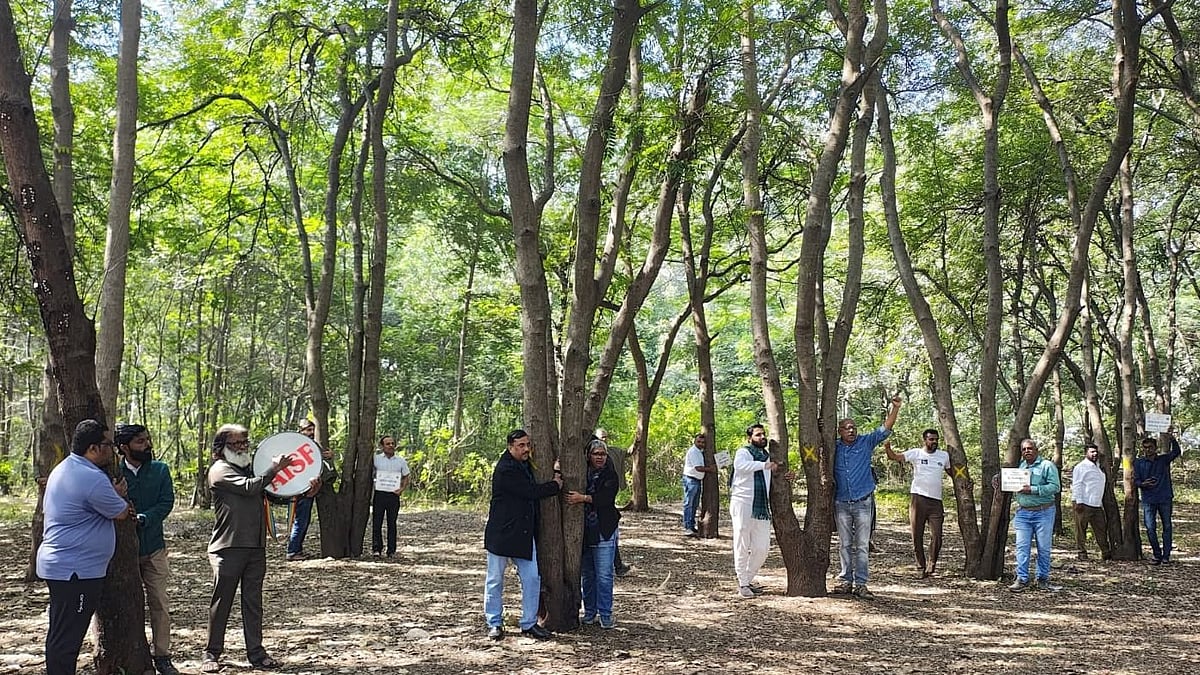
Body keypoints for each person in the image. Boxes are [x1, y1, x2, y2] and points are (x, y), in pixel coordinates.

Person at [37, 419, 132, 675]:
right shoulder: (90, 477)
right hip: (75, 571)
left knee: (61, 632)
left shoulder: (66, 468)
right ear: (93, 448)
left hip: (65, 565)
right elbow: (121, 512)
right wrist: (119, 496)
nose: (112, 450)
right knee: (67, 638)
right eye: (108, 444)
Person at [203, 424, 295, 672]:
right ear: (222, 447)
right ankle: (211, 653)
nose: (243, 447)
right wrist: (275, 468)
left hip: (255, 546)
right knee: (222, 602)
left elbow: (271, 493)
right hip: (228, 547)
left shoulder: (251, 470)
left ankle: (256, 652)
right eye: (236, 443)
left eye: (245, 442)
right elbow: (250, 488)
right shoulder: (219, 470)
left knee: (253, 602)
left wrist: (304, 488)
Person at [483, 429, 563, 640]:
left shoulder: (524, 463)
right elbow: (530, 491)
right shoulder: (506, 469)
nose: (526, 449)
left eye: (528, 444)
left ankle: (528, 623)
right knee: (495, 580)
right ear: (510, 447)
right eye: (521, 445)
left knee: (531, 578)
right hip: (501, 534)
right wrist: (555, 485)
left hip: (524, 534)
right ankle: (494, 622)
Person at [116, 423, 179, 675]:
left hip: (154, 548)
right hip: (121, 553)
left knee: (159, 603)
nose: (147, 445)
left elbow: (166, 502)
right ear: (124, 447)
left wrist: (143, 518)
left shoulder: (160, 470)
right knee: (124, 604)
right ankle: (123, 653)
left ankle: (162, 655)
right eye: (140, 441)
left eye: (147, 440)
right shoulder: (113, 473)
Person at [831, 395, 901, 600]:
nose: (851, 430)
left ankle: (861, 583)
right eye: (847, 428)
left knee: (862, 545)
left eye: (853, 427)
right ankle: (845, 580)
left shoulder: (865, 442)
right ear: (839, 431)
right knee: (844, 543)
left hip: (863, 501)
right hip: (842, 502)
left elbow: (885, 429)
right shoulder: (833, 446)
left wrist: (895, 408)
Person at [565, 438, 621, 629]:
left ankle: (606, 614)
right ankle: (590, 612)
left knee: (604, 575)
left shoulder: (610, 475)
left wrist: (583, 498)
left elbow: (605, 499)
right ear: (588, 456)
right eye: (596, 454)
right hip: (584, 533)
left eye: (603, 454)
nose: (600, 457)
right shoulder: (582, 472)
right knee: (587, 575)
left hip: (604, 530)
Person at [884, 428, 951, 578]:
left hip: (936, 502)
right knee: (917, 535)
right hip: (918, 499)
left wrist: (964, 481)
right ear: (925, 440)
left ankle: (931, 564)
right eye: (931, 439)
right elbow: (895, 457)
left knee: (937, 535)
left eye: (936, 439)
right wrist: (888, 448)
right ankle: (920, 566)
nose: (934, 442)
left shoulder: (944, 456)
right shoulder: (916, 453)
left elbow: (952, 472)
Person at [729, 424, 777, 599]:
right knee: (742, 544)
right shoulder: (744, 452)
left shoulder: (767, 457)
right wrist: (764, 466)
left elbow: (772, 477)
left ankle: (746, 579)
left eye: (763, 434)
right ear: (750, 438)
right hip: (743, 503)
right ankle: (743, 584)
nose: (762, 437)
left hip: (761, 508)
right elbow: (740, 466)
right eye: (758, 435)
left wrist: (783, 475)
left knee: (762, 547)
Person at [1008, 438, 1061, 592]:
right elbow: (1012, 483)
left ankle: (1042, 579)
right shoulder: (1021, 466)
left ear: (1036, 450)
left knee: (1043, 547)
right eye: (1024, 449)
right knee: (1022, 547)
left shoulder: (1047, 466)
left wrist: (1033, 489)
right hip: (1023, 513)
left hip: (1044, 512)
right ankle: (1022, 579)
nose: (1027, 451)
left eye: (1030, 448)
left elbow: (1055, 487)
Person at [1134, 433, 1182, 565]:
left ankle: (1166, 556)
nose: (1147, 450)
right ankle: (1157, 554)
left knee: (1167, 526)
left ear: (1155, 448)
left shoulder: (1163, 460)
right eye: (1145, 448)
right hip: (1148, 499)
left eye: (1150, 447)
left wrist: (1172, 437)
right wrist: (1142, 484)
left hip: (1165, 497)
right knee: (1150, 528)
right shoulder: (1139, 463)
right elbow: (1136, 480)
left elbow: (1176, 452)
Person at [286, 419, 324, 561]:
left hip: (311, 488)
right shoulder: (294, 447)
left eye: (312, 429)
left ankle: (297, 549)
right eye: (307, 430)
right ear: (300, 431)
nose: (311, 433)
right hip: (299, 490)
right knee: (300, 521)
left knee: (304, 521)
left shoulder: (315, 447)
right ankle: (292, 551)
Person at [595, 428, 631, 576]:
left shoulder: (613, 453)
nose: (604, 440)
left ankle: (617, 565)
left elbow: (629, 452)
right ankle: (616, 565)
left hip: (606, 505)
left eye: (606, 437)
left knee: (610, 534)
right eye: (601, 438)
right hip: (592, 509)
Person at [371, 435, 411, 558]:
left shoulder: (400, 461)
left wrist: (402, 489)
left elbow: (407, 476)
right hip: (380, 493)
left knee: (391, 523)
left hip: (394, 495)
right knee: (377, 522)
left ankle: (391, 550)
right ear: (382, 446)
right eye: (387, 444)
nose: (391, 446)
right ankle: (377, 549)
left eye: (392, 443)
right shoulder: (376, 459)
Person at [1070, 442, 1111, 561]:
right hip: (1083, 503)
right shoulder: (1081, 467)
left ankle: (1105, 552)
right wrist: (1079, 501)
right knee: (1081, 529)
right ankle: (1081, 552)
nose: (1094, 454)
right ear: (1086, 453)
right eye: (1091, 452)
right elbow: (1077, 484)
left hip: (1096, 504)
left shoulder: (1098, 467)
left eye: (1096, 452)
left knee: (1101, 528)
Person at [682, 432, 716, 536]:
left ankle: (691, 526)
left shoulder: (700, 452)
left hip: (696, 480)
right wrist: (710, 469)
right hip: (690, 480)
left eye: (703, 442)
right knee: (689, 503)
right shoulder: (693, 451)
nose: (701, 444)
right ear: (694, 441)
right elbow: (698, 468)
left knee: (694, 504)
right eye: (699, 441)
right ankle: (687, 527)